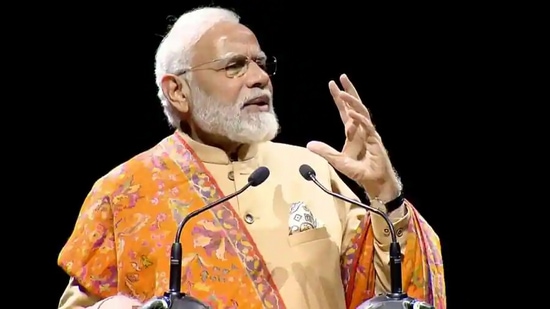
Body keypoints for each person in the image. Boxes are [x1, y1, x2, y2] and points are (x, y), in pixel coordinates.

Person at [57, 6, 446, 309]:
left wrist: (384, 190)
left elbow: (391, 293)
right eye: (234, 66)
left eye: (261, 63)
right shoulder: (125, 191)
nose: (260, 77)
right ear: (178, 91)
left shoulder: (310, 171)